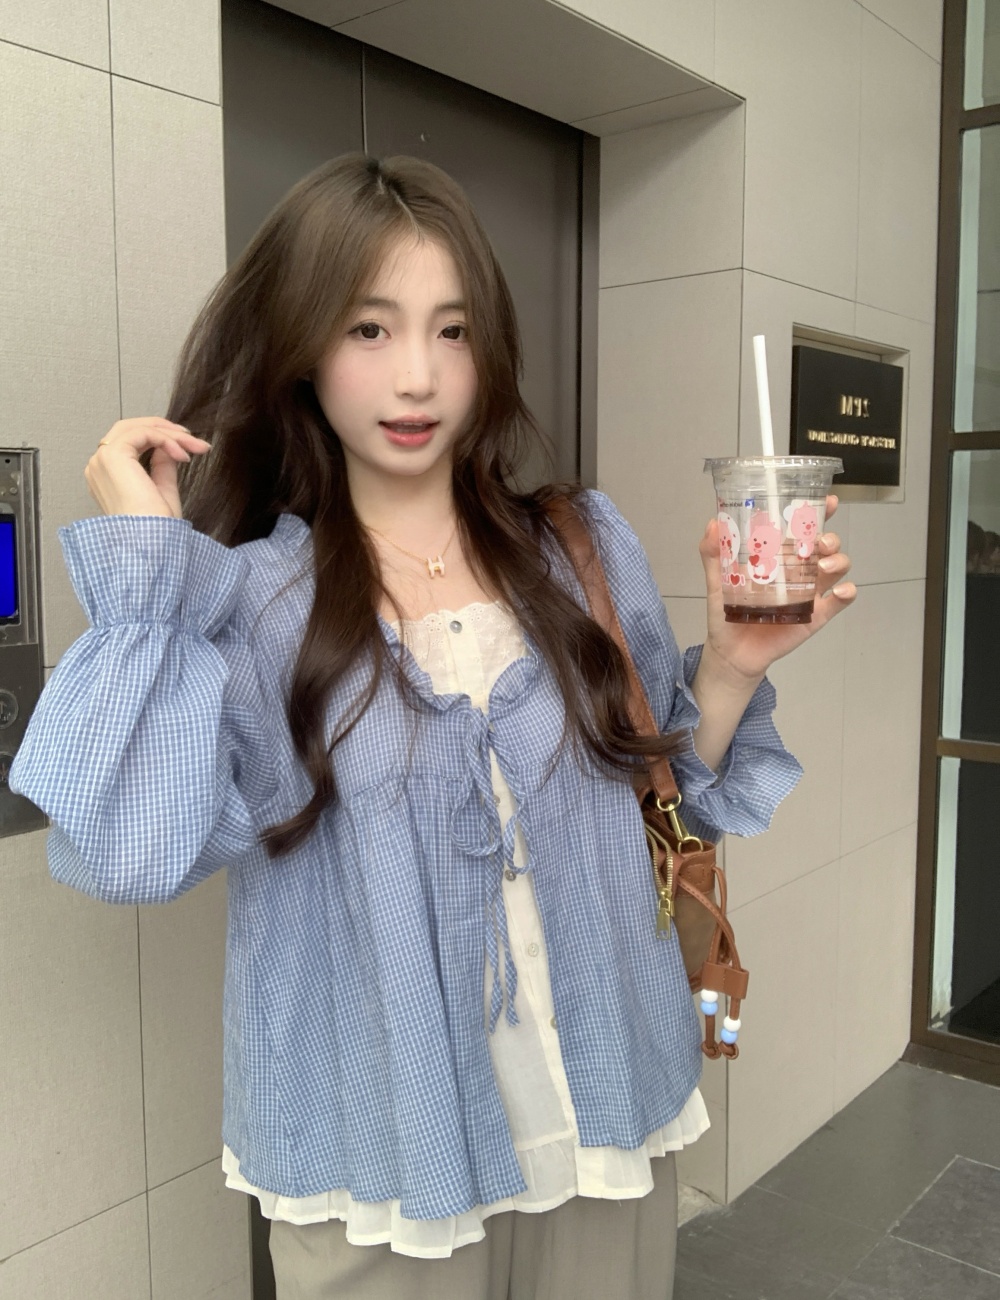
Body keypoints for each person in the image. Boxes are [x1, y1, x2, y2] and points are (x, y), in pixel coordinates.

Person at [10, 155, 855, 1300]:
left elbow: (674, 796)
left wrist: (736, 666)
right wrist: (149, 571)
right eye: (368, 329)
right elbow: (123, 849)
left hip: (601, 1120)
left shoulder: (580, 549)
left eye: (450, 330)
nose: (417, 376)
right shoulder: (246, 603)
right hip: (383, 1161)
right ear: (301, 347)